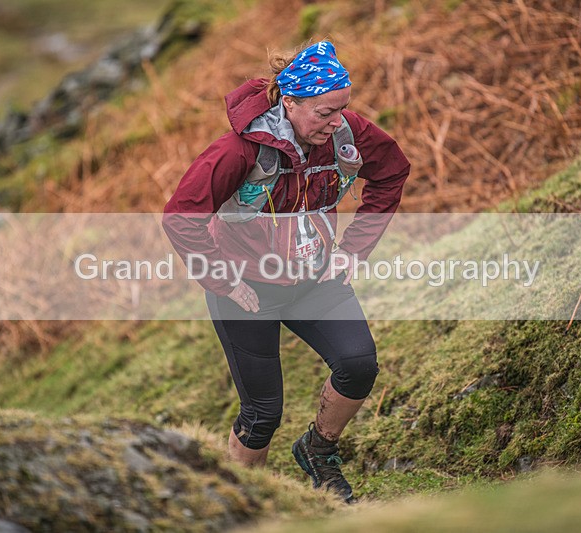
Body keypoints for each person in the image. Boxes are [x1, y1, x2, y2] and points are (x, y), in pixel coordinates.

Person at [162, 41, 410, 502]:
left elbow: (392, 172)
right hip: (247, 290)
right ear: (289, 102)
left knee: (358, 365)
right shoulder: (238, 151)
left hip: (316, 279)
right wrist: (222, 280)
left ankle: (318, 449)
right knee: (262, 414)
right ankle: (240, 506)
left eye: (342, 109)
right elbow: (181, 216)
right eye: (324, 112)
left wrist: (353, 250)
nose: (337, 122)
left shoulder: (344, 133)